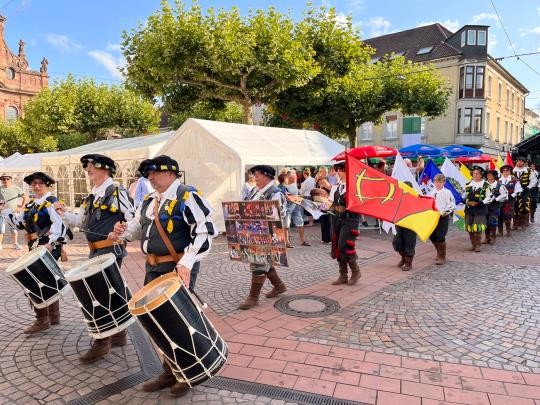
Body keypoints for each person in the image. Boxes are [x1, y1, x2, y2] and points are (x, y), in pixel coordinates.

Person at [110, 155, 217, 397]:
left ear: (171, 173)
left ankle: (187, 374)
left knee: (179, 323)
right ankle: (170, 371)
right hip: (153, 268)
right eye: (148, 173)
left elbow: (205, 233)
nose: (150, 177)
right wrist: (123, 231)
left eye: (155, 172)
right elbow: (138, 227)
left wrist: (187, 263)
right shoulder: (150, 199)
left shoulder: (187, 196)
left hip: (176, 267)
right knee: (159, 322)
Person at [54, 154, 135, 363]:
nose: (88, 169)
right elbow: (79, 220)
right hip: (95, 251)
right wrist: (63, 213)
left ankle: (102, 343)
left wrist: (122, 231)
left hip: (109, 251)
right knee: (112, 291)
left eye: (92, 166)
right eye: (87, 167)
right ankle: (119, 334)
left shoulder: (116, 191)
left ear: (105, 169)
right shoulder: (92, 195)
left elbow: (132, 217)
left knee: (100, 293)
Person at [1, 172, 68, 334]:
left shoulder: (52, 202)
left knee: (37, 280)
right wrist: (5, 211)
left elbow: (61, 225)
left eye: (40, 183)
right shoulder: (32, 205)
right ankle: (53, 315)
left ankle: (42, 320)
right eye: (34, 184)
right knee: (47, 279)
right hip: (34, 246)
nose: (37, 186)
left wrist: (51, 244)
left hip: (47, 246)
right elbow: (19, 224)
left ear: (47, 185)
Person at [238, 164, 287, 310]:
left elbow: (279, 216)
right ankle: (279, 286)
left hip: (268, 233)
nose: (254, 178)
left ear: (266, 175)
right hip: (254, 231)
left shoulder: (276, 193)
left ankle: (253, 298)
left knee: (258, 263)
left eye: (257, 175)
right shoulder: (255, 190)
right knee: (266, 262)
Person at [328, 161, 361, 285]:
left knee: (344, 245)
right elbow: (331, 202)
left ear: (347, 171)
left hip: (350, 219)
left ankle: (356, 271)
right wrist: (321, 204)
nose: (338, 173)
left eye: (340, 171)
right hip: (336, 217)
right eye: (338, 171)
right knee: (337, 246)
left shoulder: (355, 185)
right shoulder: (337, 186)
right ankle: (343, 275)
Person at [428, 174, 455, 265]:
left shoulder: (447, 192)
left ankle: (442, 257)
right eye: (436, 182)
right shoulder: (431, 192)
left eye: (440, 182)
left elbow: (451, 205)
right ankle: (438, 252)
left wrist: (443, 212)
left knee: (440, 236)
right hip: (432, 217)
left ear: (444, 182)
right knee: (432, 236)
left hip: (442, 217)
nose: (438, 184)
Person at [463, 166, 492, 252]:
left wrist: (481, 203)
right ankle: (473, 244)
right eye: (474, 173)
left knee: (477, 227)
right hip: (469, 209)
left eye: (477, 173)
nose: (475, 175)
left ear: (481, 175)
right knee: (469, 227)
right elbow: (464, 196)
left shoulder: (486, 185)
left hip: (480, 209)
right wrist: (465, 201)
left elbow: (489, 197)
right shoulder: (468, 184)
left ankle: (478, 245)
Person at [393, 181, 418, 271]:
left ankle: (408, 262)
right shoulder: (398, 197)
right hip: (399, 223)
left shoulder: (415, 198)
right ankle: (403, 258)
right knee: (397, 242)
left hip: (410, 225)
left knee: (409, 243)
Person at [283, 170, 310, 247]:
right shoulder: (284, 186)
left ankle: (302, 241)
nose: (296, 177)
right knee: (286, 225)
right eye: (293, 175)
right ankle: (287, 242)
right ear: (288, 176)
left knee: (300, 223)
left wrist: (299, 197)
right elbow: (286, 197)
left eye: (295, 175)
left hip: (296, 207)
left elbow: (296, 194)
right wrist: (295, 198)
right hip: (287, 207)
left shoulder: (294, 184)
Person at [0, 173, 27, 249]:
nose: (5, 180)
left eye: (7, 179)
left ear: (11, 180)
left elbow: (24, 197)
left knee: (14, 228)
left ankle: (15, 244)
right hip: (2, 212)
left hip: (13, 212)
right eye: (3, 179)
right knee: (1, 229)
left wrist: (21, 207)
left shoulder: (16, 188)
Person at [484, 170, 508, 245]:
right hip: (485, 205)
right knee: (485, 222)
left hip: (495, 205)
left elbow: (504, 195)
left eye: (491, 175)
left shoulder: (499, 185)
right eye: (488, 175)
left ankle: (493, 237)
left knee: (493, 221)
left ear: (494, 176)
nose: (489, 176)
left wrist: (496, 199)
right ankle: (487, 238)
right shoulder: (483, 184)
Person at [512, 156, 536, 230]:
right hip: (514, 191)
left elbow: (533, 181)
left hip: (525, 190)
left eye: (521, 161)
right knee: (514, 206)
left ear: (524, 162)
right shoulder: (512, 170)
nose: (519, 162)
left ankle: (523, 223)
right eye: (518, 161)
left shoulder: (529, 170)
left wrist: (528, 187)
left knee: (524, 205)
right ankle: (515, 224)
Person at [498, 165, 521, 237]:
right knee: (499, 215)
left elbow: (518, 189)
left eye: (507, 170)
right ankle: (500, 232)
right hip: (500, 200)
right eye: (504, 170)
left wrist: (512, 195)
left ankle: (508, 231)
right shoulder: (499, 180)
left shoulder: (514, 179)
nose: (505, 172)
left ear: (510, 171)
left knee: (507, 215)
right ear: (502, 171)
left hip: (510, 200)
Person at [314, 166, 332, 244]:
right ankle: (327, 239)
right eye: (324, 172)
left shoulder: (317, 180)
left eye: (326, 172)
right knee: (327, 220)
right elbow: (331, 189)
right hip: (324, 202)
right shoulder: (323, 181)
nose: (326, 173)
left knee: (323, 220)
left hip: (320, 202)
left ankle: (324, 238)